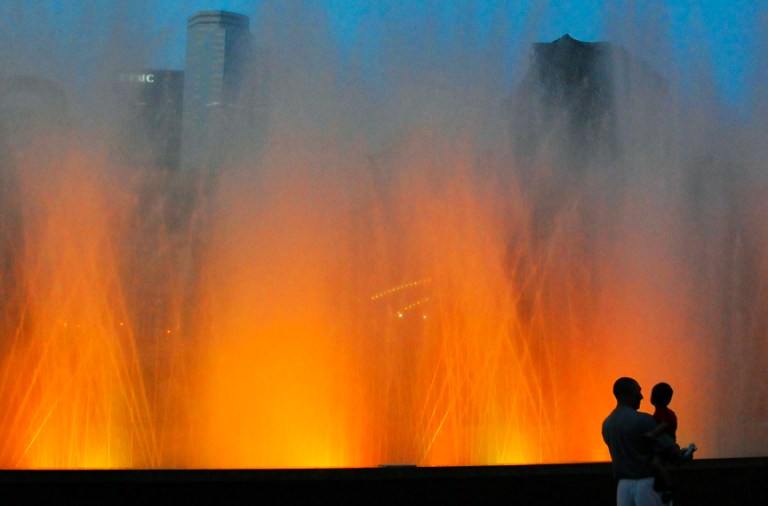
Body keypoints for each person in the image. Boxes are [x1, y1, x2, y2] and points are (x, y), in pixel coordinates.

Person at [602, 377, 677, 506]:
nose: (641, 396)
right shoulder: (644, 420)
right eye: (638, 391)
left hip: (623, 488)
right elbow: (669, 449)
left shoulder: (607, 424)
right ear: (629, 394)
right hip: (648, 485)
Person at [646, 382, 697, 502]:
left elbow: (665, 425)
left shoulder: (662, 412)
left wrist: (652, 434)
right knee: (663, 461)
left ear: (653, 397)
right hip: (667, 444)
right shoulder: (665, 412)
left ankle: (668, 486)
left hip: (665, 445)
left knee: (656, 463)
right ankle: (681, 454)